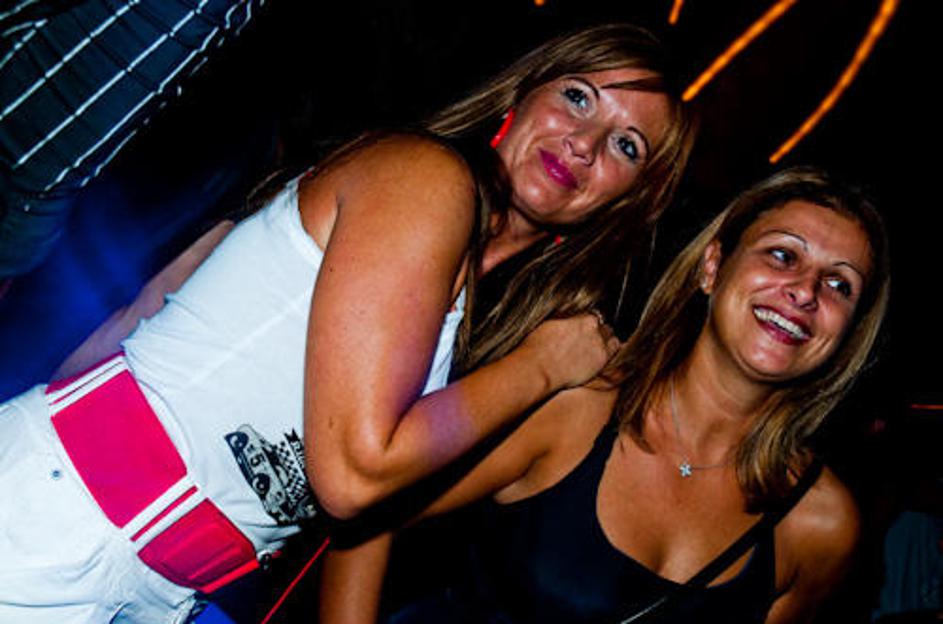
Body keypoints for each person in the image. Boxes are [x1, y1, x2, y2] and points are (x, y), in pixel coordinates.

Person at [0, 23, 695, 622]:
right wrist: (542, 366)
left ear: (628, 204)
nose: (583, 143)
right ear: (520, 96)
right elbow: (357, 474)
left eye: (626, 146)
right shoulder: (426, 179)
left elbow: (146, 311)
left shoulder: (458, 294)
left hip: (148, 576)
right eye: (577, 97)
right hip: (63, 528)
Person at [322, 167, 890, 624]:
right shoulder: (576, 408)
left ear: (848, 333)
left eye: (839, 284)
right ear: (713, 268)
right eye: (783, 255)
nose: (805, 292)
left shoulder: (818, 525)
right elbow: (370, 516)